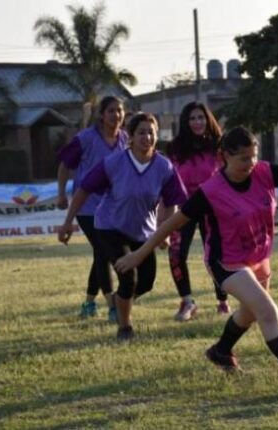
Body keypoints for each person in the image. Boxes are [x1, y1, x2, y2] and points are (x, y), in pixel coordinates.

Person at [114, 126, 278, 395]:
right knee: (267, 310)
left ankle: (221, 351)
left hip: (259, 258)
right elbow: (172, 223)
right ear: (225, 156)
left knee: (249, 313)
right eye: (244, 158)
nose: (251, 163)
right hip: (227, 263)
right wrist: (139, 253)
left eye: (254, 155)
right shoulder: (211, 191)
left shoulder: (264, 172)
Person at [58, 112, 187, 341]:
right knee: (128, 277)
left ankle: (120, 301)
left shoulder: (164, 167)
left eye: (151, 133)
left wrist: (164, 232)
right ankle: (125, 328)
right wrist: (68, 222)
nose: (147, 137)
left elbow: (172, 202)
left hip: (143, 232)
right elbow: (84, 189)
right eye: (141, 132)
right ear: (131, 136)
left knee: (146, 282)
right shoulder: (114, 162)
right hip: (110, 227)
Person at [56, 96, 127, 321]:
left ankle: (88, 303)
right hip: (86, 206)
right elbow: (65, 165)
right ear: (101, 115)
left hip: (112, 208)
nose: (116, 115)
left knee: (101, 254)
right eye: (111, 111)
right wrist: (61, 193)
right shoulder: (85, 138)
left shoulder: (125, 139)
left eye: (119, 110)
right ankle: (113, 305)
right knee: (104, 250)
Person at [165, 102, 230, 321]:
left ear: (208, 119)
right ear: (185, 122)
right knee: (176, 254)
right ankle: (187, 302)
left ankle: (223, 302)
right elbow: (169, 180)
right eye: (192, 118)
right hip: (184, 208)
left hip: (212, 208)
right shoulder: (175, 149)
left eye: (201, 117)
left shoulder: (219, 146)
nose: (197, 122)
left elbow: (228, 175)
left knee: (216, 256)